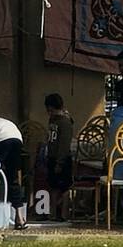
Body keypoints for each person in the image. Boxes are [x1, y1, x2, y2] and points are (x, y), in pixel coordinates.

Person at [43, 93, 74, 222]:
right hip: (51, 156)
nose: (49, 113)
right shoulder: (52, 120)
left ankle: (64, 213)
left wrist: (60, 162)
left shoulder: (65, 122)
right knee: (53, 186)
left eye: (51, 110)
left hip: (62, 158)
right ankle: (53, 213)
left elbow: (64, 144)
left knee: (64, 187)